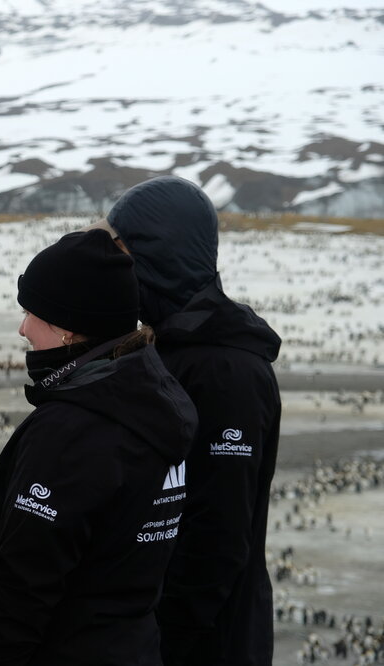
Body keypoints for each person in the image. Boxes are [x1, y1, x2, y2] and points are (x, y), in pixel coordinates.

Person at [0, 229, 198, 665]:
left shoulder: (74, 430)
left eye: (31, 312)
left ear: (67, 326)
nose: (22, 328)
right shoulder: (153, 406)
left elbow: (22, 590)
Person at [100, 176, 282, 666]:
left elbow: (218, 533)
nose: (116, 267)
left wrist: (167, 638)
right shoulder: (172, 347)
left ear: (158, 253)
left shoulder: (227, 370)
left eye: (123, 250)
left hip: (208, 640)